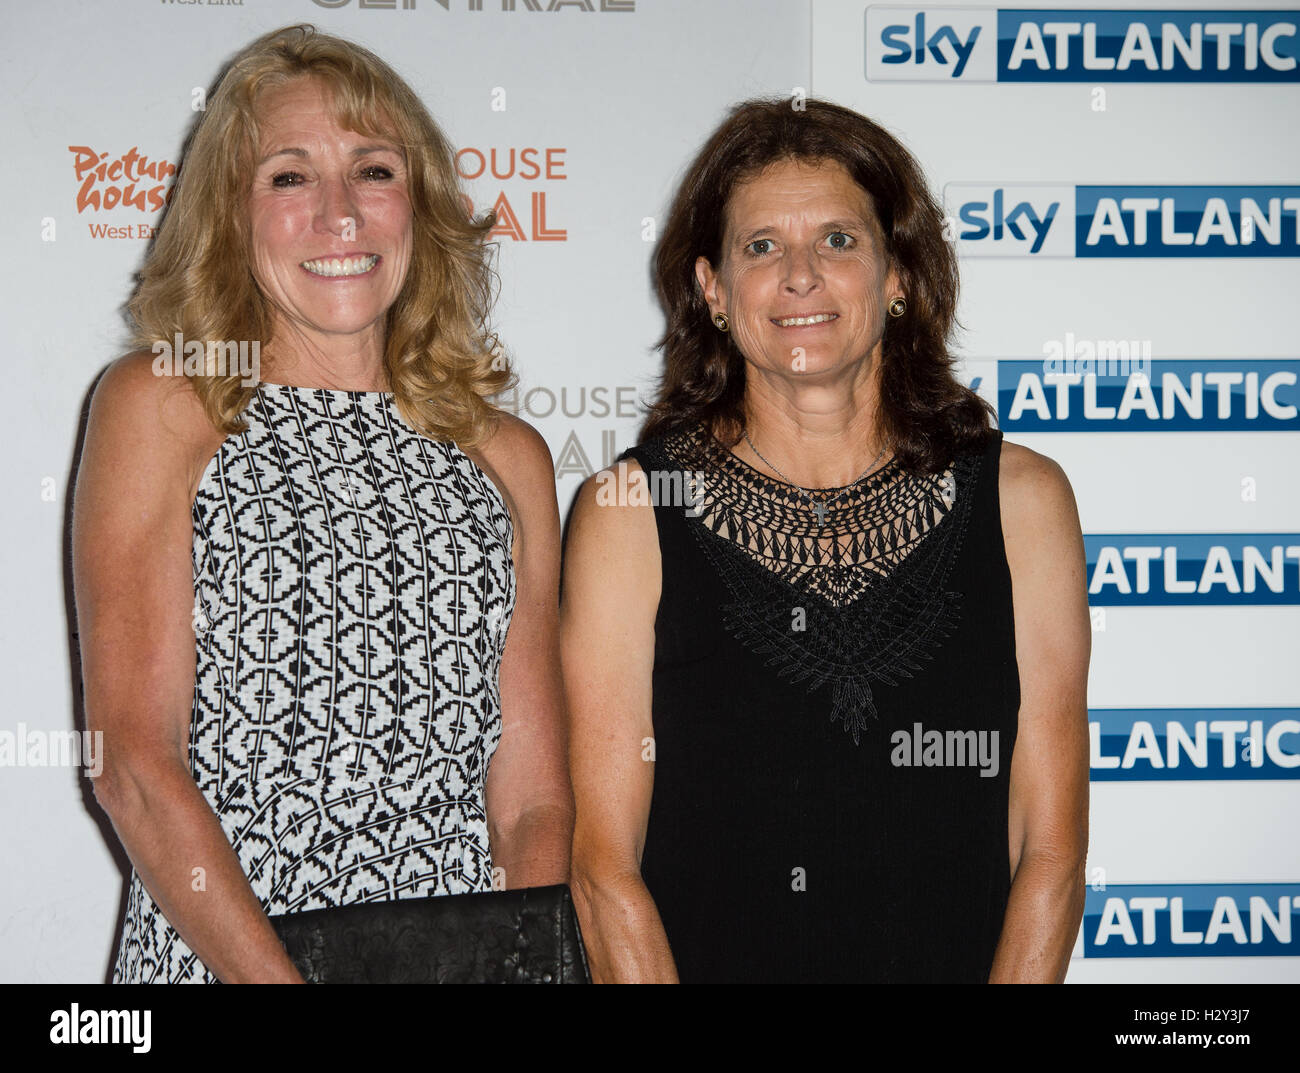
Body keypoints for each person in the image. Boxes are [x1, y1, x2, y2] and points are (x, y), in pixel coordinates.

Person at [72, 23, 572, 984]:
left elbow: (530, 806)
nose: (340, 214)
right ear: (231, 212)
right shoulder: (165, 402)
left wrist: (510, 972)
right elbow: (133, 765)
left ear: (419, 208)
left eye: (374, 172)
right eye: (290, 176)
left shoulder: (508, 458)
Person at [561, 98, 1089, 983]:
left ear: (898, 276)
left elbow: (1051, 847)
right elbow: (603, 869)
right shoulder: (628, 513)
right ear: (714, 291)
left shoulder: (1022, 501)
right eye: (761, 245)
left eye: (839, 240)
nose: (800, 275)